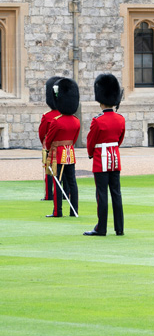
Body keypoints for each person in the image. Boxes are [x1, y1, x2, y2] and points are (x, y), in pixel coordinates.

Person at [84, 74, 126, 236]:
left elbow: (91, 140)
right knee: (116, 193)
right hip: (114, 158)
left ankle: (101, 228)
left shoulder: (98, 120)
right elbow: (120, 139)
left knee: (101, 194)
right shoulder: (120, 119)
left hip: (101, 159)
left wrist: (90, 154)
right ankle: (119, 228)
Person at [44, 78, 80, 218]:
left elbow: (49, 139)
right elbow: (74, 139)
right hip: (70, 153)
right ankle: (74, 210)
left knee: (57, 182)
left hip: (57, 154)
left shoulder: (56, 121)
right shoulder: (76, 121)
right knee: (72, 182)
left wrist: (48, 149)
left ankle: (57, 211)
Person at [39, 76, 63, 202]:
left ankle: (49, 195)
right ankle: (65, 193)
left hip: (50, 147)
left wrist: (45, 144)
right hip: (65, 148)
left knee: (49, 171)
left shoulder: (47, 116)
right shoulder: (68, 117)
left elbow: (42, 133)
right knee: (64, 171)